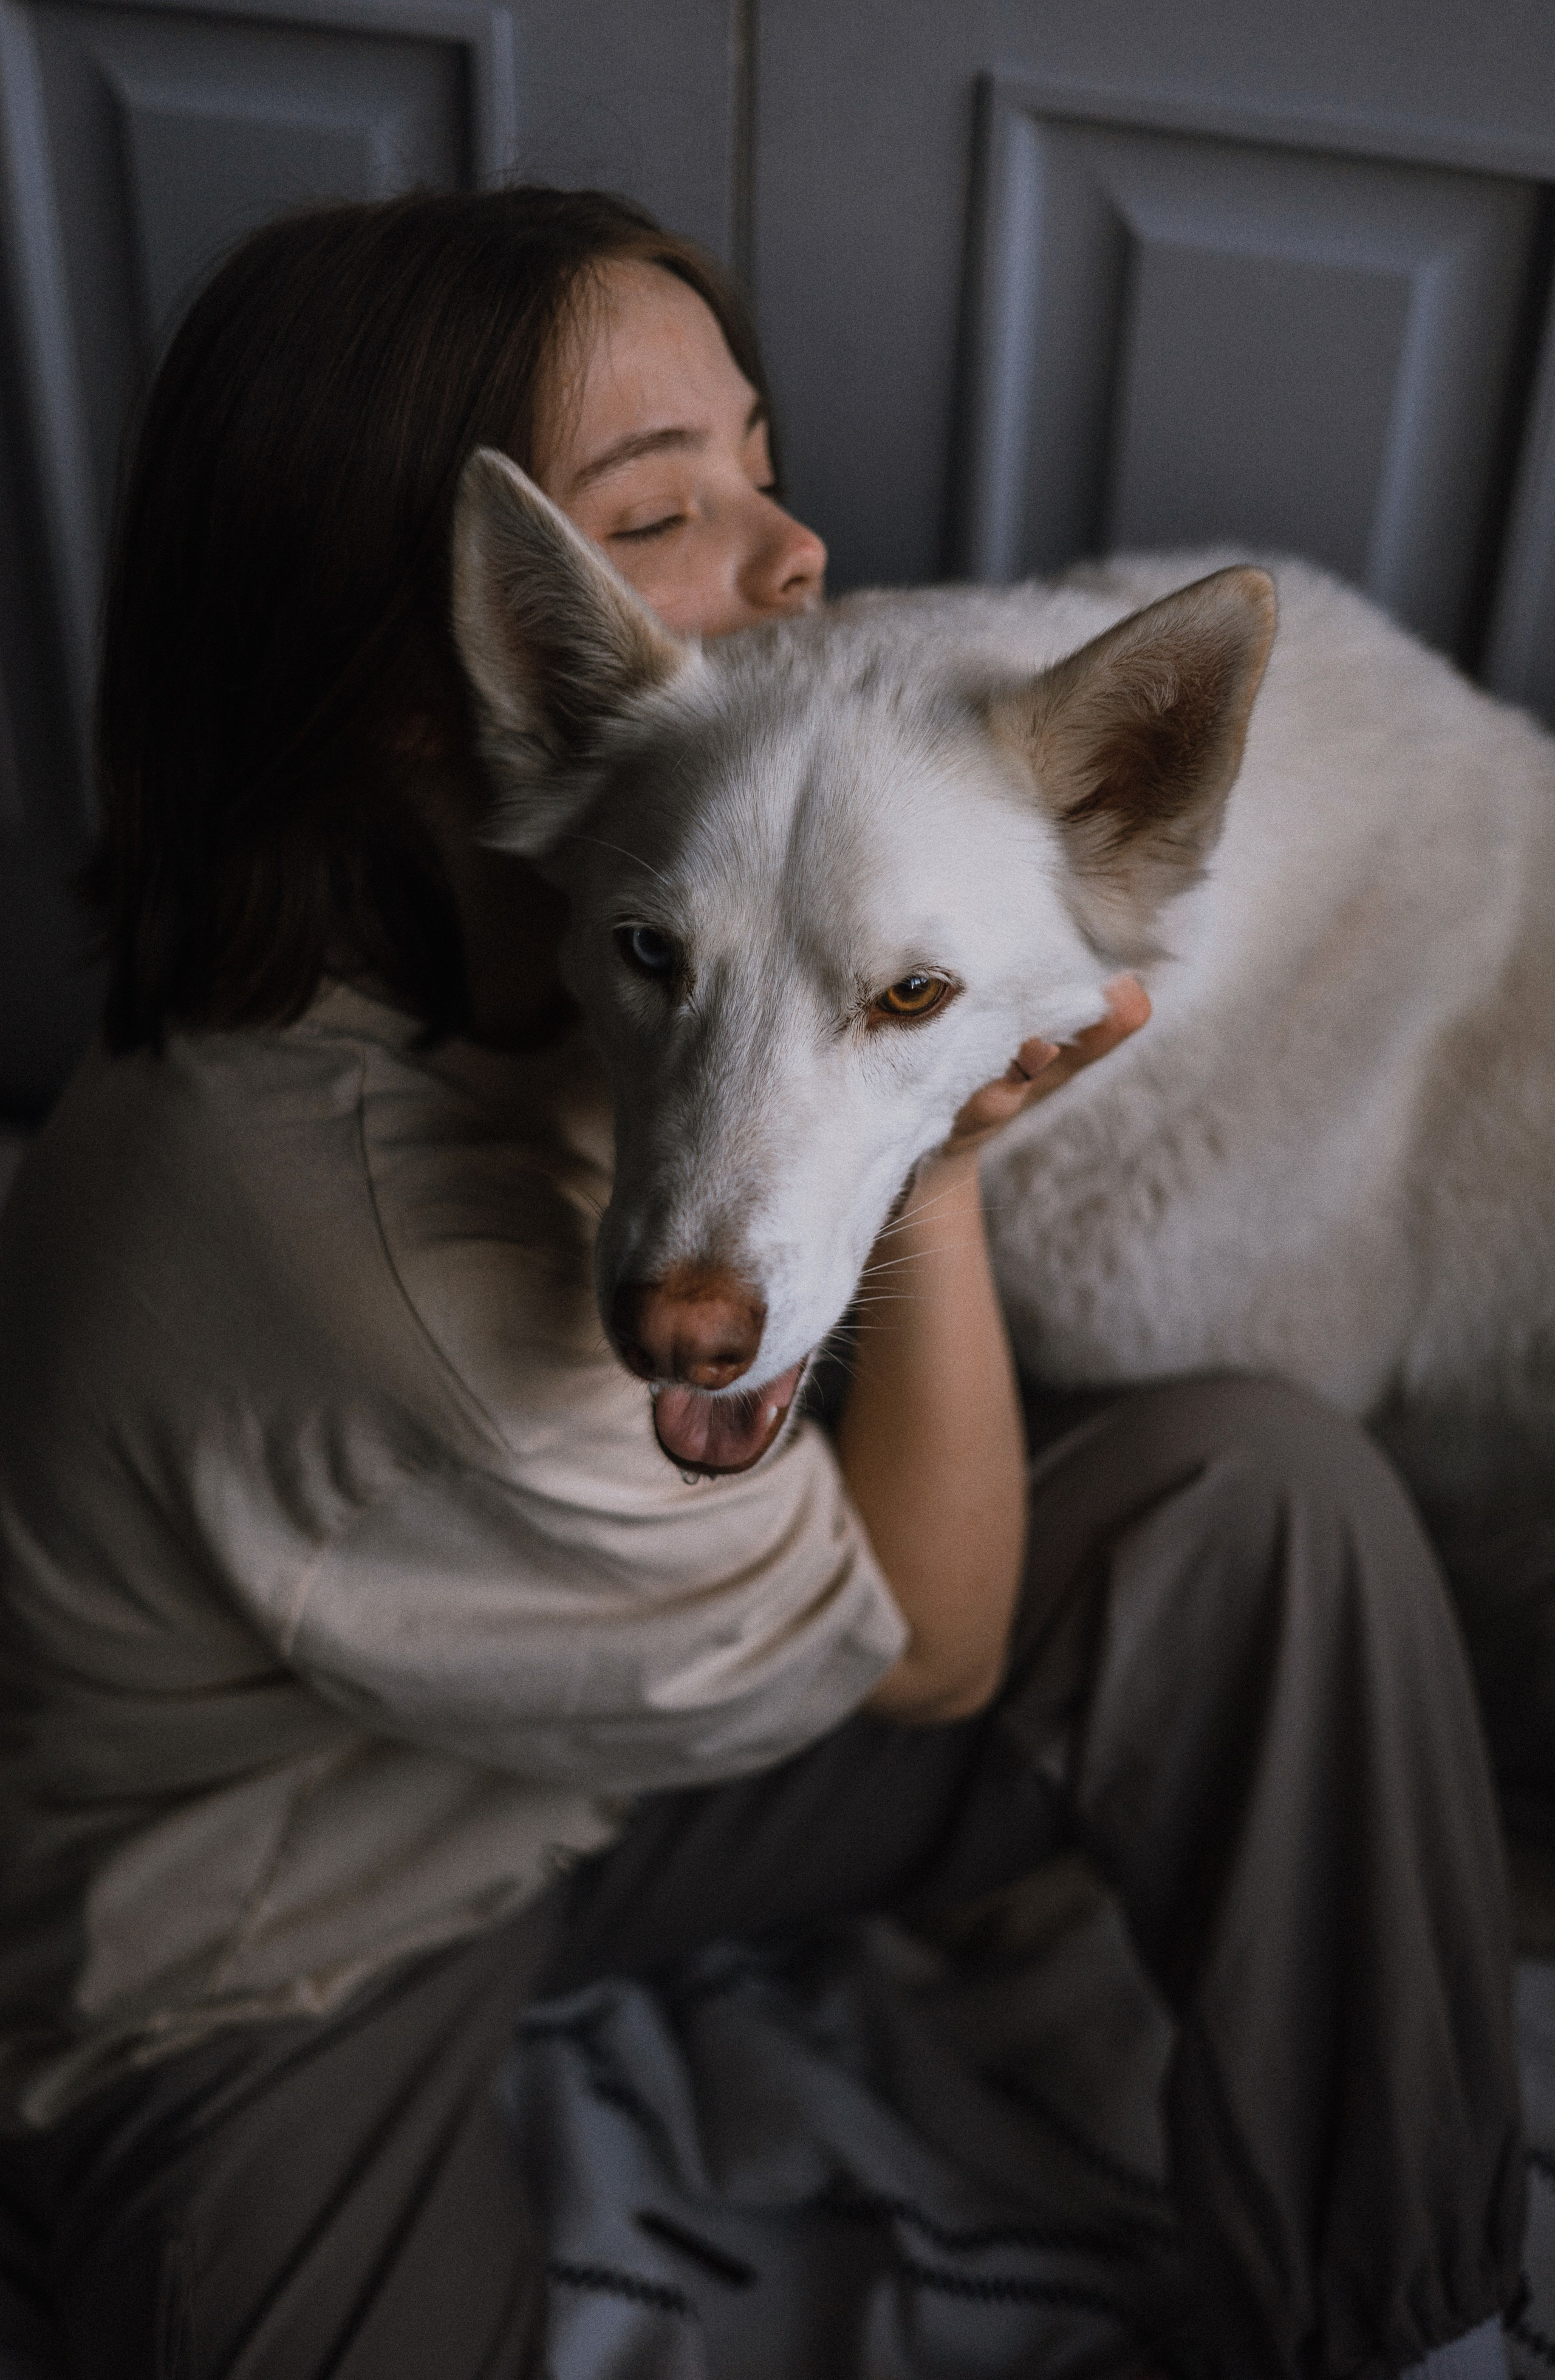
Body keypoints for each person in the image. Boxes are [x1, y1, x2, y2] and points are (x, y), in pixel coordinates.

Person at [0, 186, 1525, 2380]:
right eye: (660, 511)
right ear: (471, 658)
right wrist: (946, 1184)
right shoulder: (379, 1265)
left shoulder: (629, 895)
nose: (796, 556)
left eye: (760, 462)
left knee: (1256, 1495)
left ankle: (1412, 2322)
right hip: (280, 1943)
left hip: (594, 1762)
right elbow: (940, 1644)